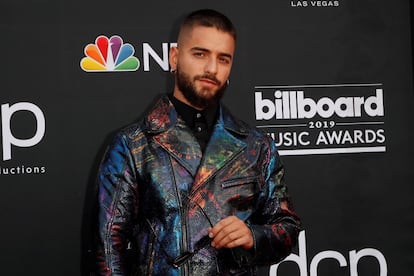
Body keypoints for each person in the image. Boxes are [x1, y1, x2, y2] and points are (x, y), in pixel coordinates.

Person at [95, 9, 301, 276]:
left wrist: (253, 236)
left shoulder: (256, 146)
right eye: (200, 54)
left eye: (223, 59)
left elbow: (287, 228)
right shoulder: (133, 145)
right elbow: (108, 249)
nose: (212, 68)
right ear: (175, 57)